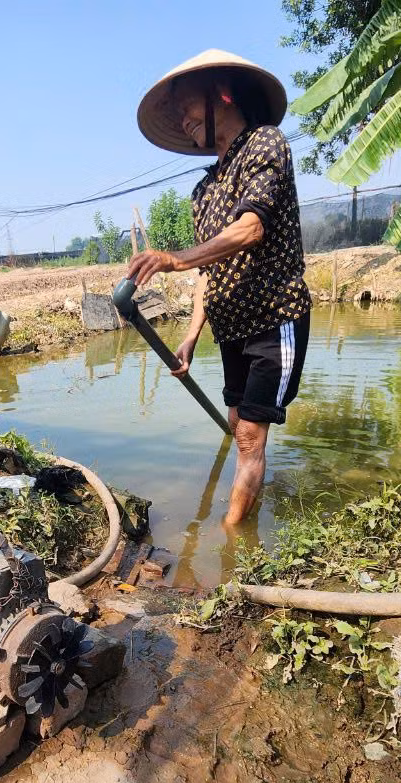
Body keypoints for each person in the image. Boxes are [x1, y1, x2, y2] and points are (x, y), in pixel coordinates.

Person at [126, 50, 311, 527]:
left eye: (186, 106)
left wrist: (174, 259)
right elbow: (209, 274)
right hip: (230, 329)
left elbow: (250, 230)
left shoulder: (267, 145)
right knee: (239, 428)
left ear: (222, 96)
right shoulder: (203, 192)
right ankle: (250, 498)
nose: (183, 120)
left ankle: (230, 542)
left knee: (249, 435)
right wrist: (189, 337)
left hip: (274, 316)